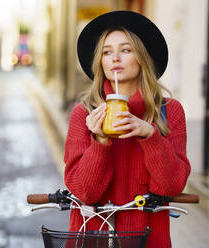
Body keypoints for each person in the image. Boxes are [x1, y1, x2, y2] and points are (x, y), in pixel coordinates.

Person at [64, 11, 191, 247]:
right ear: (100, 62)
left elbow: (171, 186)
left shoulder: (168, 112)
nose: (115, 58)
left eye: (125, 50)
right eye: (107, 52)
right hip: (94, 238)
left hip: (147, 239)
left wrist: (150, 135)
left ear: (141, 57)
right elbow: (85, 192)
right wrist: (99, 141)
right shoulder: (84, 114)